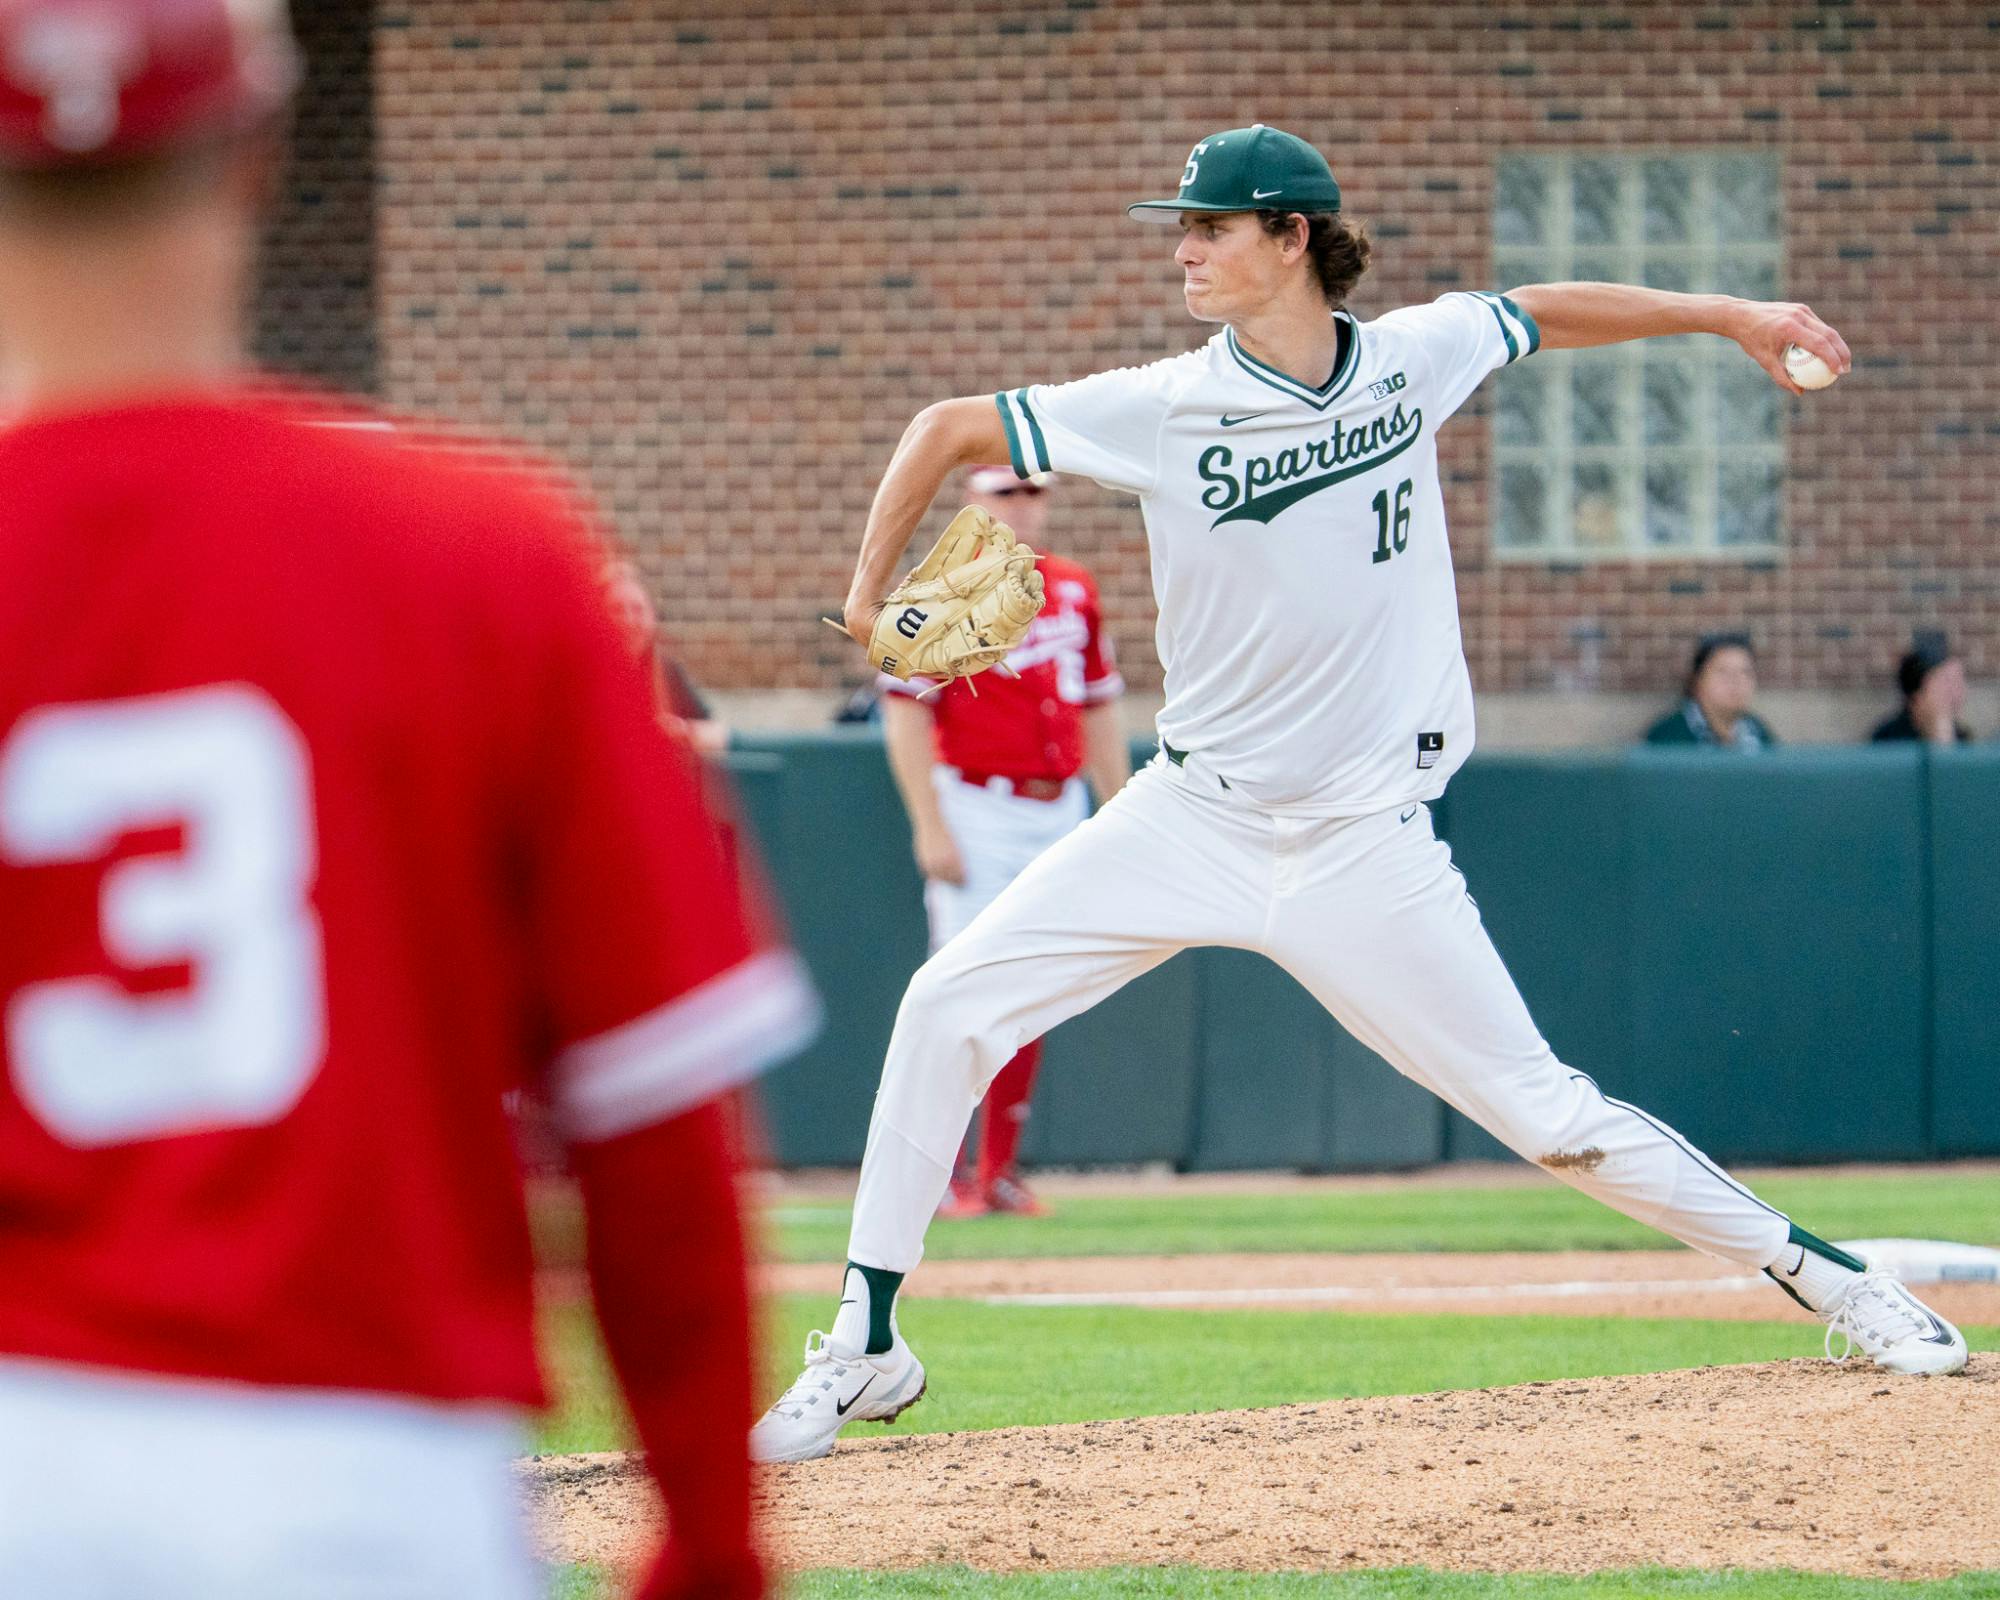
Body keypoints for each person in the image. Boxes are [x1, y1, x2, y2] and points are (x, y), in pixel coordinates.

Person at [751, 122, 1965, 1465]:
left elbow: (1543, 313)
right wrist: (868, 592)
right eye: (1184, 225)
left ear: (1292, 238)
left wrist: (1727, 311)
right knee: (946, 1003)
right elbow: (946, 425)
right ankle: (867, 1342)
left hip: (1364, 850)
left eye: (1212, 226)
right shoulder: (1163, 402)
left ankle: (1842, 1285)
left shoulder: (1410, 358)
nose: (1185, 247)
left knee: (1552, 1118)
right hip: (1190, 817)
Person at [0, 3, 816, 1594]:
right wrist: (712, 1538)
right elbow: (655, 1128)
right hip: (372, 1479)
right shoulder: (487, 550)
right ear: (258, 156)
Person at [880, 466, 1129, 1218]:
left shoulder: (1074, 586)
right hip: (978, 805)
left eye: (1034, 492)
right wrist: (929, 821)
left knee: (1035, 989)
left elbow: (1100, 704)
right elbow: (907, 713)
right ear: (972, 502)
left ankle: (998, 1172)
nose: (1024, 505)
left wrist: (1118, 809)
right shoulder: (938, 591)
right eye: (1006, 493)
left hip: (1059, 805)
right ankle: (944, 1171)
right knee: (961, 990)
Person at [605, 557, 732, 755]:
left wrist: (683, 731)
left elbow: (717, 733)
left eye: (638, 610)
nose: (629, 621)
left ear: (653, 617)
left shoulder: (666, 671)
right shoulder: (580, 673)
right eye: (617, 610)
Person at [1644, 634, 1777, 749]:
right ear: (1697, 681)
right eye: (1723, 672)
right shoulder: (1668, 737)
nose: (1737, 681)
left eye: (1746, 672)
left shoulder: (1757, 731)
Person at [1871, 639, 1972, 745]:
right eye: (1946, 683)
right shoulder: (1887, 742)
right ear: (1917, 696)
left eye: (1959, 682)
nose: (1956, 692)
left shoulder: (1962, 739)